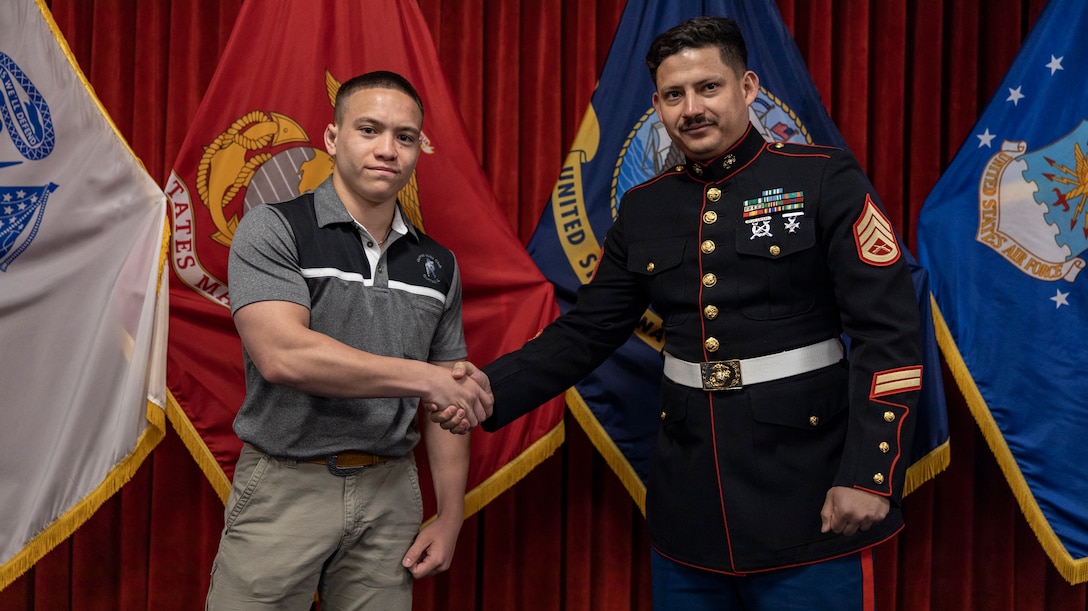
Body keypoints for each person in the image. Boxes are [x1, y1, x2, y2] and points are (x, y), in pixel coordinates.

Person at [437, 16, 923, 610]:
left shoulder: (822, 179)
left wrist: (869, 475)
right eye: (674, 94)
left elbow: (889, 335)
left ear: (748, 88)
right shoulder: (644, 209)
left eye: (708, 87)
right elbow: (589, 331)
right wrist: (487, 387)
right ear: (658, 106)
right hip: (689, 502)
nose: (691, 108)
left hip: (811, 494)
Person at [206, 70, 492, 610]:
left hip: (391, 493)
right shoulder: (273, 228)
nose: (388, 149)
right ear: (333, 139)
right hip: (284, 486)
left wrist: (450, 515)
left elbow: (448, 401)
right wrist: (426, 378)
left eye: (405, 137)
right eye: (369, 129)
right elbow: (283, 356)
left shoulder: (438, 264)